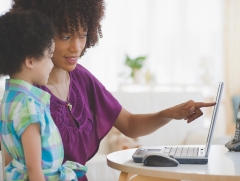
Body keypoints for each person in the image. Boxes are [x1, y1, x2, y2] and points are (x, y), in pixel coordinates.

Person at [11, 1, 215, 181]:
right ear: (43, 35)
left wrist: (169, 114)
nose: (77, 47)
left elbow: (129, 124)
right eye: (65, 36)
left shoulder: (82, 78)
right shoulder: (27, 93)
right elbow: (12, 159)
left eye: (82, 35)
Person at [0, 9, 87, 181]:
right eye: (49, 56)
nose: (51, 65)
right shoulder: (29, 105)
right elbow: (35, 171)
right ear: (30, 61)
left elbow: (8, 161)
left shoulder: (7, 101)